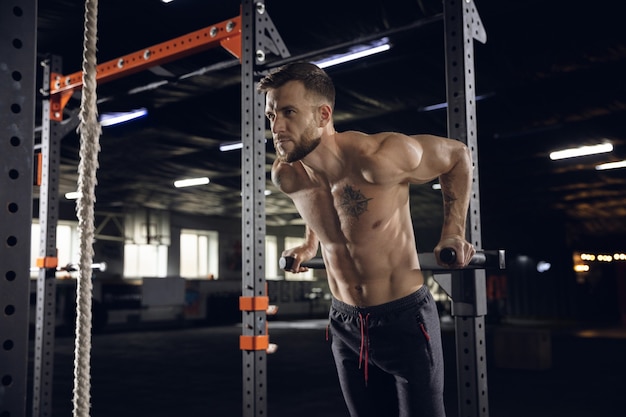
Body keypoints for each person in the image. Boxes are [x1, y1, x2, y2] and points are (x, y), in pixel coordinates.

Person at [258, 62, 475, 417]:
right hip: (344, 324)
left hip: (404, 318)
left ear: (323, 114)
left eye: (288, 113)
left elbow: (457, 157)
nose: (276, 126)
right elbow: (322, 207)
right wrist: (310, 243)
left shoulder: (379, 157)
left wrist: (453, 232)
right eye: (271, 115)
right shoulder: (287, 175)